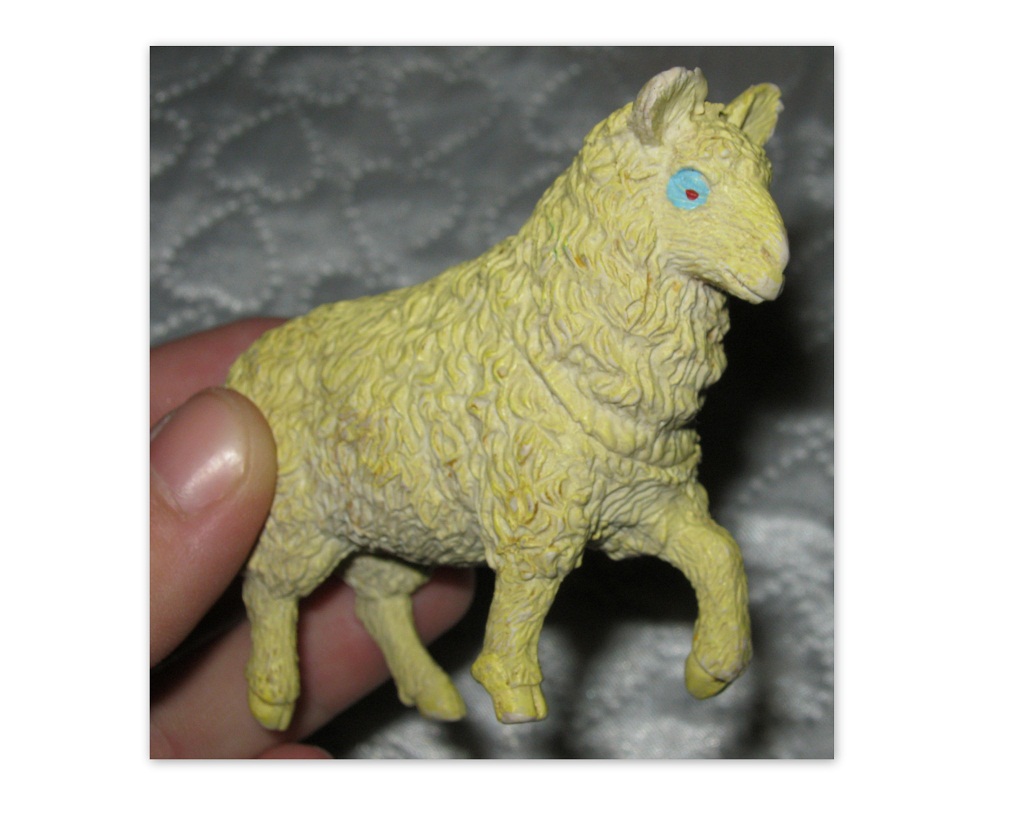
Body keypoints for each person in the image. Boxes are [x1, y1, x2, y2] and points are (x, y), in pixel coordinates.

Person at [150, 319, 475, 758]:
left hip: (380, 470)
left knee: (391, 562)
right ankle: (273, 654)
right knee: (298, 539)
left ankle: (408, 658)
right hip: (326, 468)